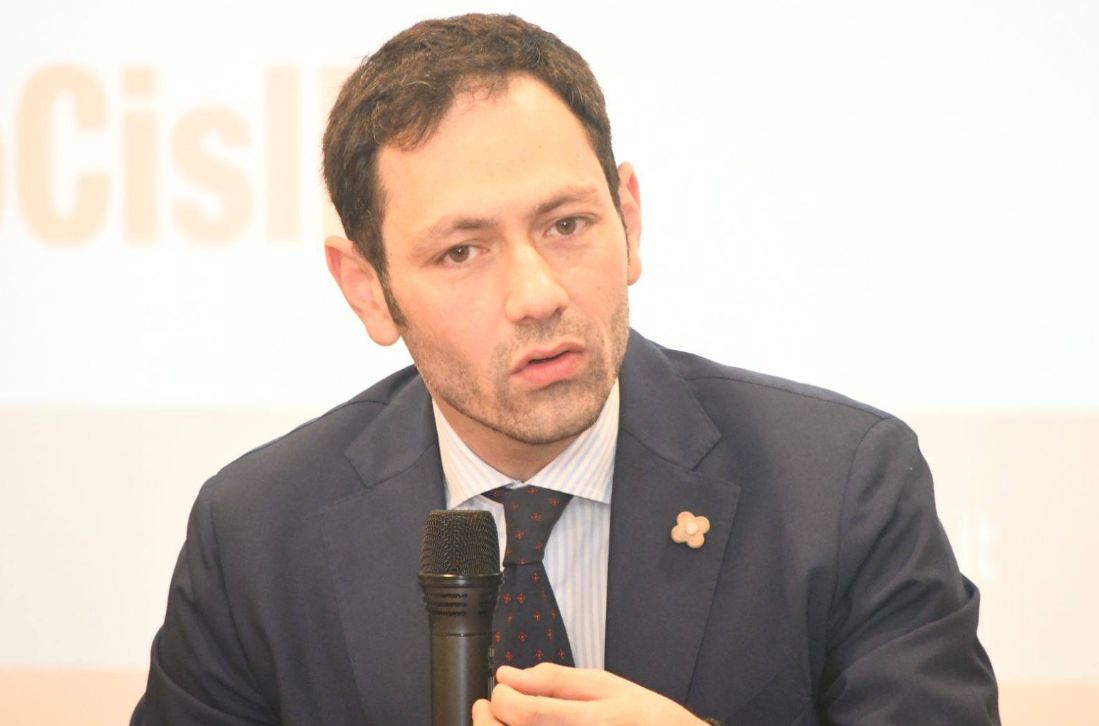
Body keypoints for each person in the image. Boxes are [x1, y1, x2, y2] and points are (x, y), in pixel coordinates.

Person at [133, 13, 999, 725]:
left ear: (628, 218)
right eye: (462, 251)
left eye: (566, 226)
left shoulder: (839, 489)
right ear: (368, 289)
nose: (537, 294)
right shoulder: (258, 536)